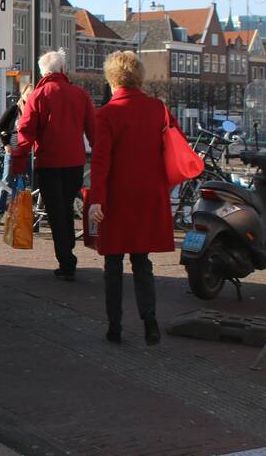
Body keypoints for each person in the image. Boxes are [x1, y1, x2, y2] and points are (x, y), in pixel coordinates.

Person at [87, 51, 173, 345]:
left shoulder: (108, 114)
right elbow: (171, 148)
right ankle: (150, 322)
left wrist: (97, 199)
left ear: (112, 78)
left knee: (113, 263)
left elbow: (101, 162)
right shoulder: (157, 108)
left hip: (117, 196)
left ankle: (115, 326)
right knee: (141, 260)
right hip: (148, 194)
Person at [10, 50, 95, 281]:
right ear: (62, 70)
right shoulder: (81, 94)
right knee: (66, 207)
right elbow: (93, 131)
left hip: (49, 162)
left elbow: (25, 134)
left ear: (43, 72)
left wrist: (17, 165)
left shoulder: (38, 96)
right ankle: (69, 254)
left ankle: (66, 260)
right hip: (75, 163)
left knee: (56, 212)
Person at [0, 83, 33, 221]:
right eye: (28, 94)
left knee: (32, 182)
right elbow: (0, 126)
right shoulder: (15, 109)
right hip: (13, 151)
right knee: (7, 181)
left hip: (28, 153)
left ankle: (27, 213)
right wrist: (6, 144)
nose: (30, 97)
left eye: (32, 95)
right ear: (22, 95)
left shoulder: (35, 110)